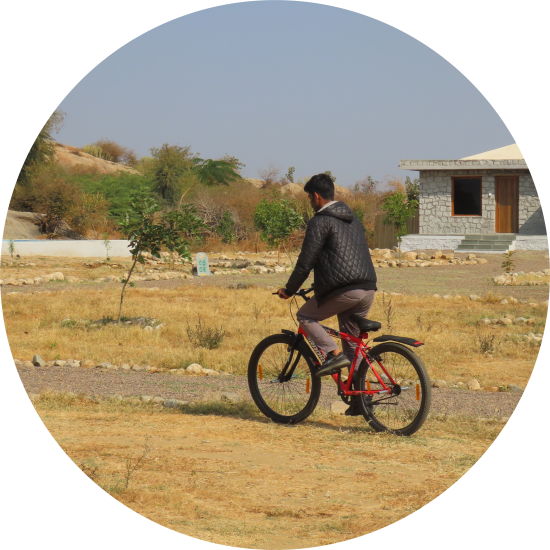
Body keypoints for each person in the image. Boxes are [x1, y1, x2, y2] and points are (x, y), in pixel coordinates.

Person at [277, 173, 377, 414]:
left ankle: (332, 354)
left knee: (306, 317)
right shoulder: (353, 219)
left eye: (310, 198)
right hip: (368, 287)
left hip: (345, 290)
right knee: (353, 345)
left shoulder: (320, 222)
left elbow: (306, 261)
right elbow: (341, 256)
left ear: (316, 196)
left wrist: (289, 290)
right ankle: (360, 401)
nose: (310, 202)